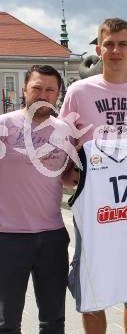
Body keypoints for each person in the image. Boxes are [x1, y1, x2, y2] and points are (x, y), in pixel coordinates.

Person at [59, 17, 127, 334]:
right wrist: (67, 174)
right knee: (93, 285)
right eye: (109, 44)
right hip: (95, 197)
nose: (115, 50)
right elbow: (63, 139)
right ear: (98, 49)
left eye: (122, 44)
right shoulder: (79, 90)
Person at [0, 65, 71, 333]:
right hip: (8, 238)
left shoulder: (64, 130)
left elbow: (65, 179)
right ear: (24, 90)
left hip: (52, 237)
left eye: (50, 90)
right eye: (37, 88)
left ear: (57, 94)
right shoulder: (4, 125)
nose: (43, 94)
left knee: (53, 321)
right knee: (7, 323)